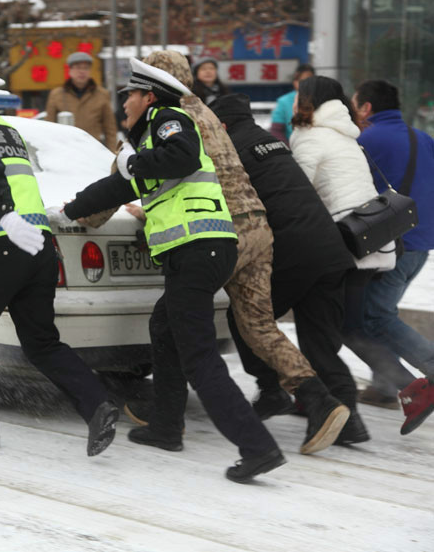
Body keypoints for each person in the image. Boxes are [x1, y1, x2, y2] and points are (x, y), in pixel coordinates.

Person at [93, 50, 348, 455]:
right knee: (258, 326)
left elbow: (126, 176)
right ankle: (319, 399)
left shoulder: (164, 117)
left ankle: (171, 418)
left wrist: (83, 215)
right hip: (258, 230)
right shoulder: (209, 114)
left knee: (174, 323)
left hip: (217, 232)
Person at [63, 58, 285, 483]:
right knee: (164, 327)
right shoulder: (150, 144)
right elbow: (119, 186)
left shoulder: (170, 119)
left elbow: (180, 157)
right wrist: (70, 209)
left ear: (148, 97)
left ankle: (258, 447)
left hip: (197, 250)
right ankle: (165, 426)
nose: (124, 102)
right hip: (204, 250)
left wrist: (136, 165)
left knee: (200, 358)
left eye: (129, 95)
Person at [0, 65, 120, 455]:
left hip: (2, 244)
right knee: (40, 341)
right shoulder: (9, 133)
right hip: (39, 247)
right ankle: (97, 405)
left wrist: (4, 214)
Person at [210, 93, 368, 445]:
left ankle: (273, 391)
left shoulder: (228, 150)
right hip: (330, 249)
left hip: (292, 251)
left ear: (219, 124)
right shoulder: (271, 141)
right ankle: (350, 423)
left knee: (250, 320)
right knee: (318, 341)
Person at [289, 75, 400, 443]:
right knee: (329, 330)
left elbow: (295, 193)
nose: (293, 100)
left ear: (309, 100)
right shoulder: (346, 134)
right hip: (369, 246)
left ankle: (343, 415)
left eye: (298, 94)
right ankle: (322, 403)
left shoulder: (309, 136)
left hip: (336, 248)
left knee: (320, 332)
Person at [350, 80, 434, 435]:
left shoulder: (367, 140)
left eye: (355, 106)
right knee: (379, 310)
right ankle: (385, 386)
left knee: (373, 316)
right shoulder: (423, 138)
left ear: (366, 108)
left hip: (393, 246)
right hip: (421, 243)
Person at [45, 51, 119, 151]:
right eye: (78, 68)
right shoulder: (57, 94)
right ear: (70, 70)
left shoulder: (102, 94)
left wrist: (112, 153)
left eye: (86, 68)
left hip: (93, 148)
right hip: (65, 149)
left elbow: (110, 128)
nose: (82, 72)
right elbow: (49, 126)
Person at [270, 64, 315, 142]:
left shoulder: (321, 98)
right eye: (301, 81)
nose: (305, 85)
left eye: (309, 81)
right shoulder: (284, 101)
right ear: (294, 82)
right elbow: (276, 130)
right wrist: (287, 150)